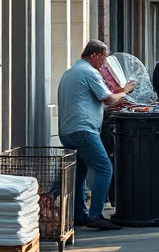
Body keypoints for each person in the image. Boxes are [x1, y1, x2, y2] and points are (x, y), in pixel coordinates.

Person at [57, 39, 135, 231]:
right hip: (84, 130)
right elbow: (108, 99)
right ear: (95, 55)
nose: (104, 63)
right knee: (104, 168)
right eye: (103, 58)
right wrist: (124, 91)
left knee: (80, 172)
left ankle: (79, 214)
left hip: (67, 131)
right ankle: (96, 215)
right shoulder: (89, 72)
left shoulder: (70, 72)